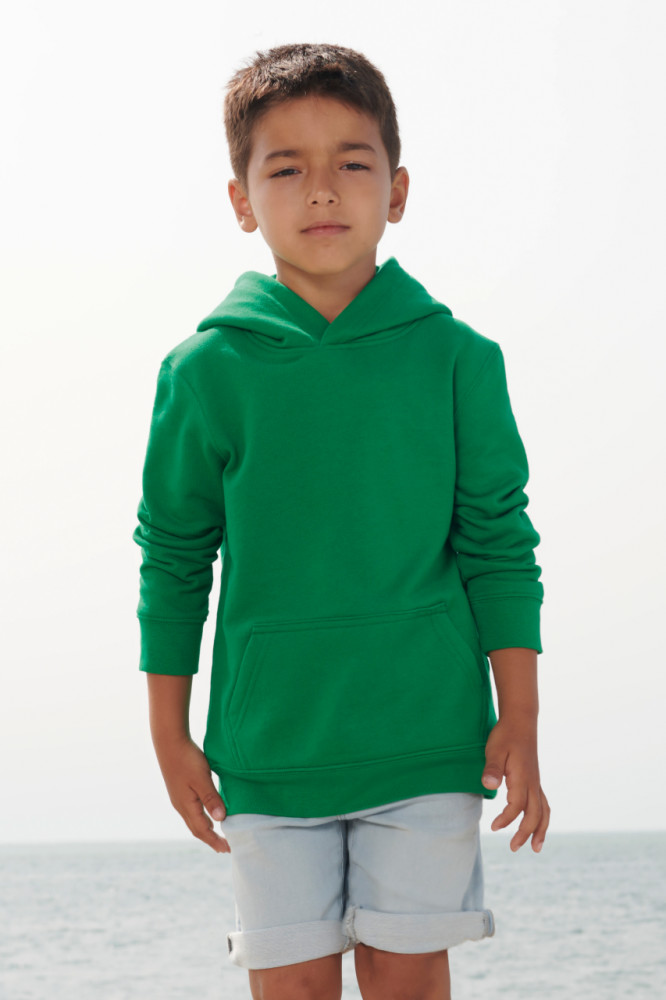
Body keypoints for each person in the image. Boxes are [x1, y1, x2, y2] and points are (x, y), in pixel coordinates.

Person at [133, 41, 550, 1000]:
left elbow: (499, 545)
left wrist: (520, 713)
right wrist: (168, 731)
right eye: (286, 169)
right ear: (242, 200)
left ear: (396, 190)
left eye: (352, 163)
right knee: (291, 988)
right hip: (268, 751)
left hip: (429, 737)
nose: (322, 190)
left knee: (408, 981)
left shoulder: (459, 359)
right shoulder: (202, 372)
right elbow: (173, 558)